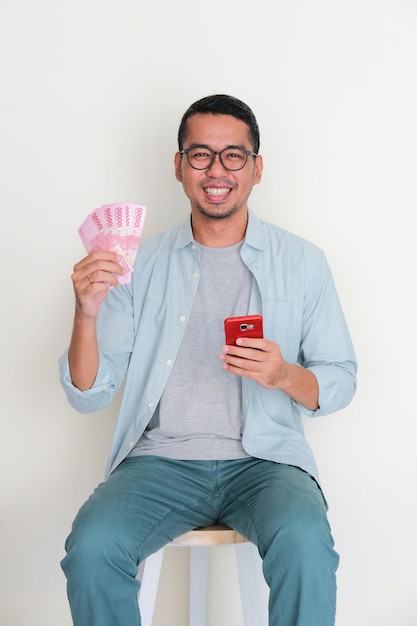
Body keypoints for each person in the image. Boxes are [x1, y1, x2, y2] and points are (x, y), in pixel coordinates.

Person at [59, 94, 357, 626]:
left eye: (233, 155)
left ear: (256, 168)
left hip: (266, 465)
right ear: (178, 166)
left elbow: (340, 380)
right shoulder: (138, 264)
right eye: (200, 154)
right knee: (92, 545)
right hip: (159, 462)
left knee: (307, 542)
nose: (216, 170)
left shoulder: (303, 262)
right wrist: (84, 314)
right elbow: (90, 392)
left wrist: (282, 373)